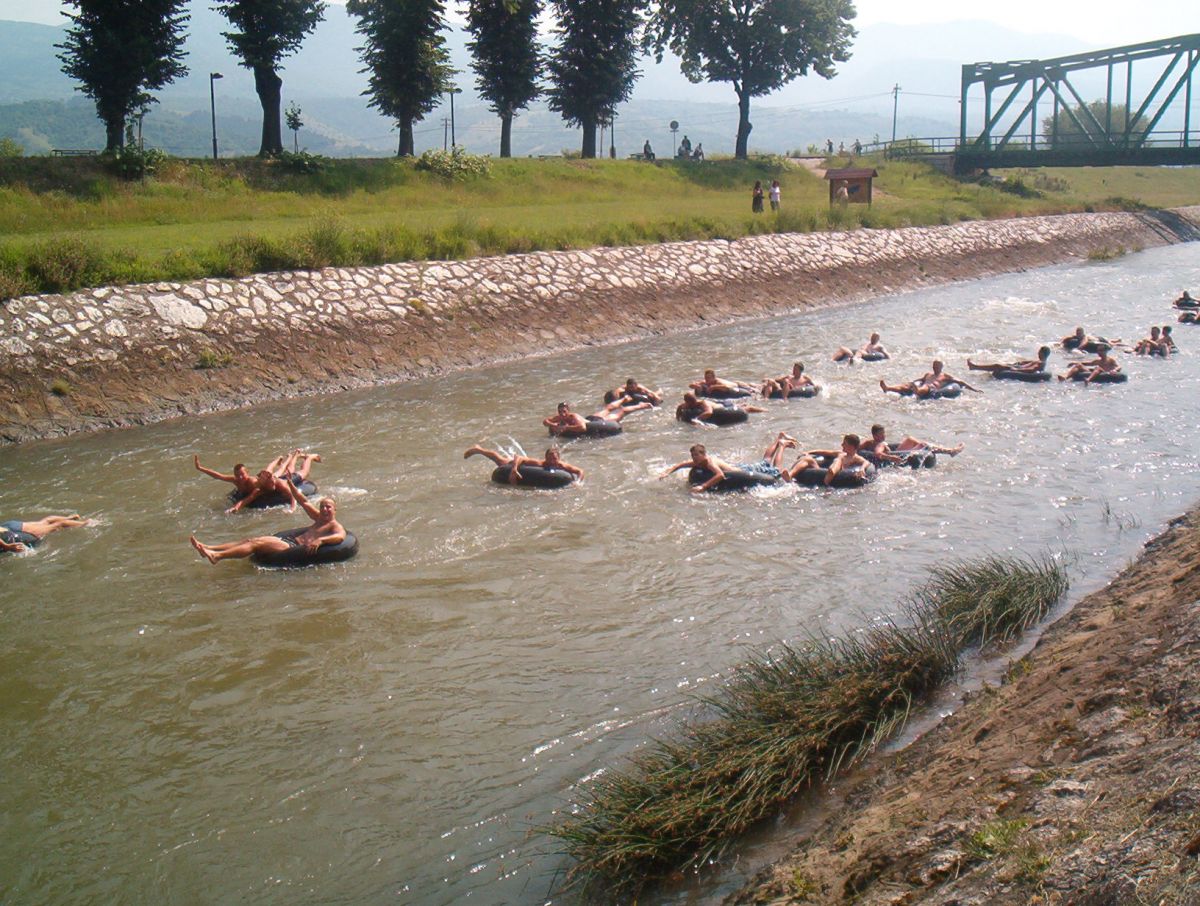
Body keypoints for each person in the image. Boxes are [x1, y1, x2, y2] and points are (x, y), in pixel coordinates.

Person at [190, 484, 345, 565]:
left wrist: (321, 540)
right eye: (322, 506)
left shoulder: (334, 525)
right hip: (290, 541)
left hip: (291, 549)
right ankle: (210, 548)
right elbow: (303, 500)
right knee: (250, 539)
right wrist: (290, 484)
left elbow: (340, 536)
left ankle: (218, 556)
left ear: (335, 509)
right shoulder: (318, 517)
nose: (324, 509)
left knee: (255, 544)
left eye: (328, 507)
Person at [658, 434, 793, 493]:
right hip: (739, 469)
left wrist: (703, 487)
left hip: (743, 471)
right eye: (693, 456)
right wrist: (666, 473)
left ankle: (781, 445)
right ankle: (779, 441)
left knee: (771, 467)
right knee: (765, 461)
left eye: (696, 456)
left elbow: (720, 475)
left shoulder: (709, 462)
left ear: (704, 455)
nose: (694, 459)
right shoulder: (696, 463)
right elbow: (679, 465)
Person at [464, 445, 583, 483]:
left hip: (526, 469)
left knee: (500, 460)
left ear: (558, 459)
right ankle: (479, 449)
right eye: (550, 459)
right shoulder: (540, 463)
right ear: (545, 458)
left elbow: (580, 471)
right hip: (519, 465)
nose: (552, 461)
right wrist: (514, 469)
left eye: (554, 459)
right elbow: (519, 457)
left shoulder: (561, 466)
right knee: (500, 461)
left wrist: (578, 482)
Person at [784, 434, 870, 486]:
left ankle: (828, 481)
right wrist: (809, 452)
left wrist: (862, 469)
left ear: (851, 447)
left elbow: (866, 462)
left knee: (838, 461)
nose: (842, 445)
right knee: (808, 459)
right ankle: (789, 475)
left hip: (837, 476)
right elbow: (824, 452)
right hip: (823, 473)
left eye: (844, 444)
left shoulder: (855, 457)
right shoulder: (840, 453)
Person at [543, 398, 653, 437]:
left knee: (621, 412)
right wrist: (553, 425)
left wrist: (565, 428)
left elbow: (582, 428)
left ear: (568, 411)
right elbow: (545, 421)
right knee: (608, 408)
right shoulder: (559, 418)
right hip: (590, 418)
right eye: (560, 411)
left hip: (598, 422)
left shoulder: (573, 416)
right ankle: (624, 399)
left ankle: (642, 405)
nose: (562, 413)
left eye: (564, 411)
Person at [858, 424, 963, 464]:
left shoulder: (870, 442)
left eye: (884, 433)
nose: (883, 436)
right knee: (925, 446)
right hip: (896, 458)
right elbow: (878, 454)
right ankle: (950, 451)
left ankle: (949, 451)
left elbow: (856, 448)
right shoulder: (879, 444)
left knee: (910, 439)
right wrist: (891, 457)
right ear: (874, 435)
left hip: (895, 453)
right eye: (881, 434)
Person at [880, 360, 981, 397]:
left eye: (936, 366)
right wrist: (912, 383)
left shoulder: (945, 376)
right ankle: (887, 388)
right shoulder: (928, 374)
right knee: (905, 386)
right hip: (923, 385)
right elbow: (920, 380)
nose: (934, 367)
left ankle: (917, 391)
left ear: (941, 367)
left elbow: (961, 382)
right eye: (934, 366)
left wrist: (974, 390)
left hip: (931, 389)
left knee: (926, 387)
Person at [1, 514, 89, 552]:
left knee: (56, 526)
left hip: (10, 536)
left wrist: (6, 546)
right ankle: (69, 518)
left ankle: (86, 524)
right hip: (6, 527)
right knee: (45, 521)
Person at [675, 391, 765, 425]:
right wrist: (677, 418)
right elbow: (679, 408)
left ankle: (764, 410)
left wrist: (697, 419)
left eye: (694, 400)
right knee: (743, 406)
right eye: (691, 402)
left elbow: (709, 412)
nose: (693, 403)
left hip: (723, 407)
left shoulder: (703, 403)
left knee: (746, 409)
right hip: (718, 406)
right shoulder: (686, 405)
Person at [967, 346, 1052, 373]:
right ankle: (975, 367)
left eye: (1039, 352)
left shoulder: (1041, 363)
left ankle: (974, 367)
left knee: (997, 365)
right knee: (1002, 364)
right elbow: (1027, 363)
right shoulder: (1038, 361)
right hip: (1017, 367)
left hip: (1018, 370)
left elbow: (1032, 369)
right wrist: (1017, 364)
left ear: (1042, 353)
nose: (1037, 353)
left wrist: (1016, 369)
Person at [689, 369, 755, 397]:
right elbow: (691, 385)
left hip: (738, 385)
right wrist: (696, 386)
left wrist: (713, 387)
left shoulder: (718, 382)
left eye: (709, 378)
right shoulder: (704, 382)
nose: (707, 379)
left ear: (713, 377)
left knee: (752, 389)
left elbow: (726, 388)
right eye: (706, 377)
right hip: (732, 383)